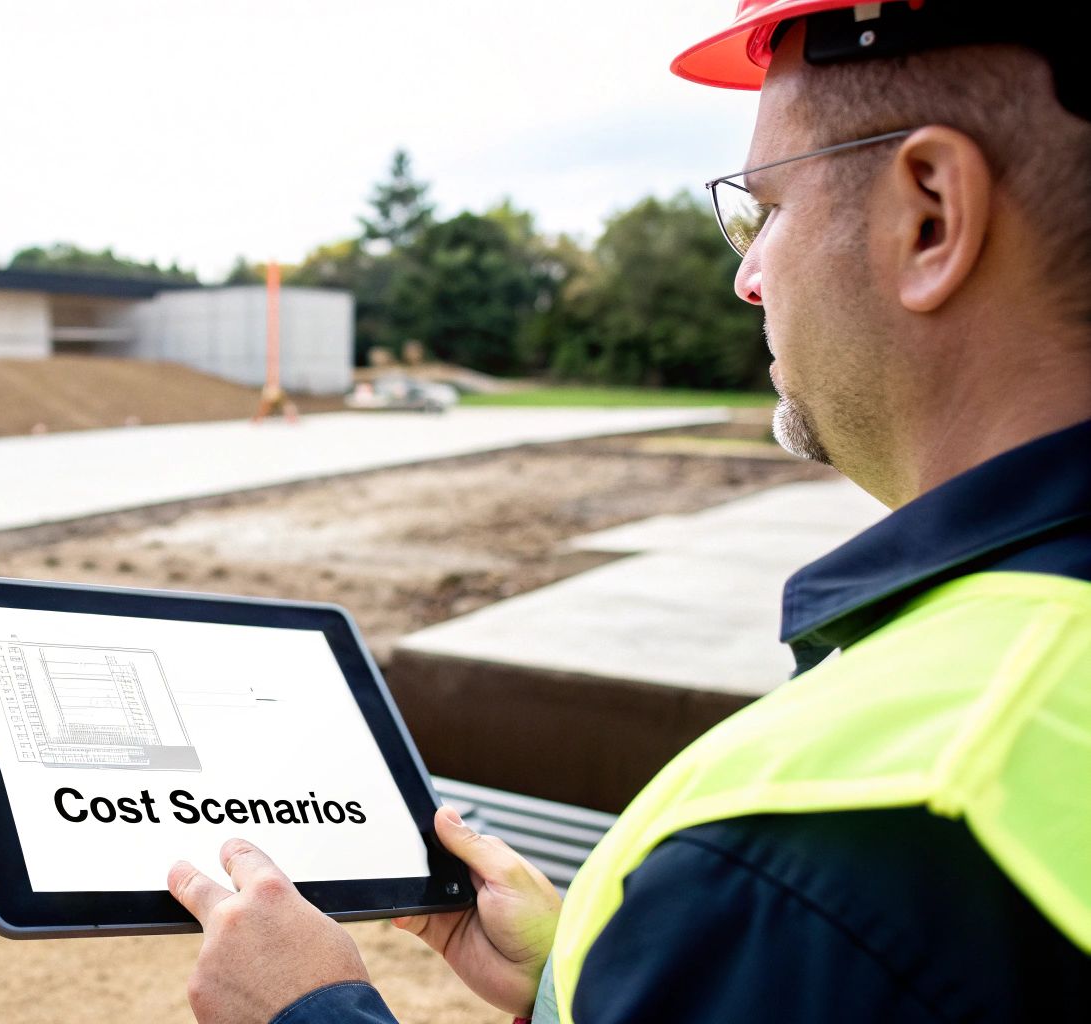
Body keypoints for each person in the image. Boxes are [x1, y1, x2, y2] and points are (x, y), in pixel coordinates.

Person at [167, 3, 1091, 1021]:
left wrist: (308, 1011)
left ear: (928, 214)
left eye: (761, 211)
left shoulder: (832, 839)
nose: (745, 277)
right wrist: (602, 977)